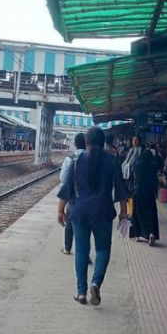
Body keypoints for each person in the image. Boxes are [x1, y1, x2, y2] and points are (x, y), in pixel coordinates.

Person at [57, 127, 130, 306]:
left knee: (81, 250)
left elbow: (67, 188)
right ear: (103, 143)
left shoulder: (76, 161)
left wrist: (60, 210)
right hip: (103, 212)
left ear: (86, 142)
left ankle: (81, 293)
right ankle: (96, 283)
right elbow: (121, 188)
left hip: (79, 212)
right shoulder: (112, 161)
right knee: (103, 249)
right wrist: (123, 211)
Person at [58, 133, 87, 255]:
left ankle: (67, 248)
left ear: (75, 144)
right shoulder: (93, 158)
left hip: (73, 198)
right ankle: (85, 252)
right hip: (89, 199)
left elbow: (63, 179)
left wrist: (60, 209)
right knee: (85, 227)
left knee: (70, 222)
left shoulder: (70, 158)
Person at [129, 145, 161, 246]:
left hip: (138, 192)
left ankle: (136, 235)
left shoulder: (137, 166)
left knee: (136, 213)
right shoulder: (152, 167)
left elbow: (133, 179)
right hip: (149, 194)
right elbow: (155, 181)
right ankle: (151, 233)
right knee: (150, 214)